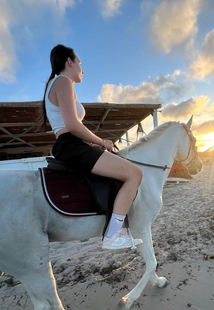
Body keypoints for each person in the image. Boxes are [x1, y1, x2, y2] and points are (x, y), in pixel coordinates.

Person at [40, 44, 143, 250]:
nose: (82, 68)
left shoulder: (55, 83)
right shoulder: (63, 81)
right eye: (80, 62)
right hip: (71, 145)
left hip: (71, 144)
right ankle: (113, 234)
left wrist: (91, 141)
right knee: (135, 174)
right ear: (69, 62)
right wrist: (100, 141)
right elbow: (72, 125)